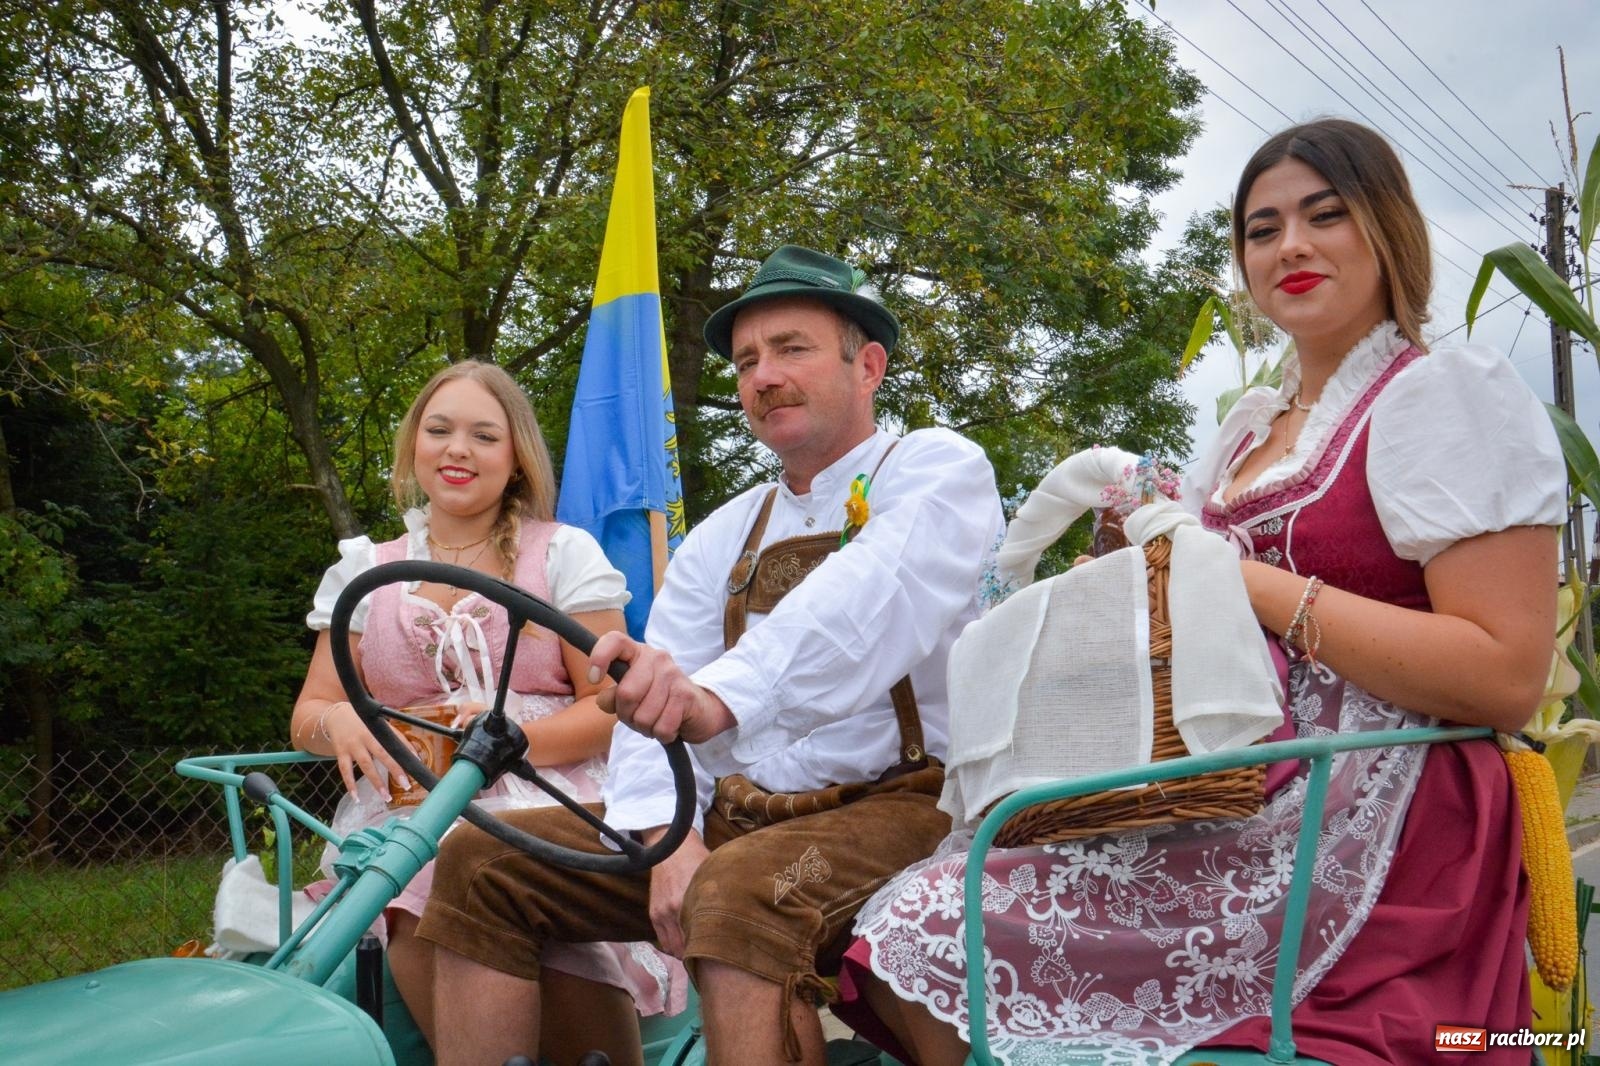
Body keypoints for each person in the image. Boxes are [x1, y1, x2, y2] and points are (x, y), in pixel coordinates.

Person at [841, 118, 1566, 1065]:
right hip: (1225, 793)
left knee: (942, 922)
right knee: (916, 918)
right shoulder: (1247, 431)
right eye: (1262, 230)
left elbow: (1508, 675)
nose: (1291, 246)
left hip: (1372, 821)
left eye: (1326, 215)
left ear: (1389, 230)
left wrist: (1236, 576)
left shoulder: (1441, 395)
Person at [413, 245, 1006, 1066]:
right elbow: (652, 701)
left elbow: (868, 602)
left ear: (867, 365)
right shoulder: (725, 534)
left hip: (905, 805)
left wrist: (713, 704)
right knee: (481, 859)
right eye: (747, 361)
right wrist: (671, 835)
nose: (763, 376)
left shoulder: (938, 470)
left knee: (736, 894)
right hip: (736, 812)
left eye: (791, 348)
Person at [288, 359, 686, 1062]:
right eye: (438, 430)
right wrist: (340, 721)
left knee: (506, 866)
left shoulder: (560, 553)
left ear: (517, 458)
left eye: (483, 435)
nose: (457, 450)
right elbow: (311, 711)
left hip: (549, 784)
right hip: (412, 798)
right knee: (408, 861)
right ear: (415, 446)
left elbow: (612, 704)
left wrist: (513, 740)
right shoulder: (363, 568)